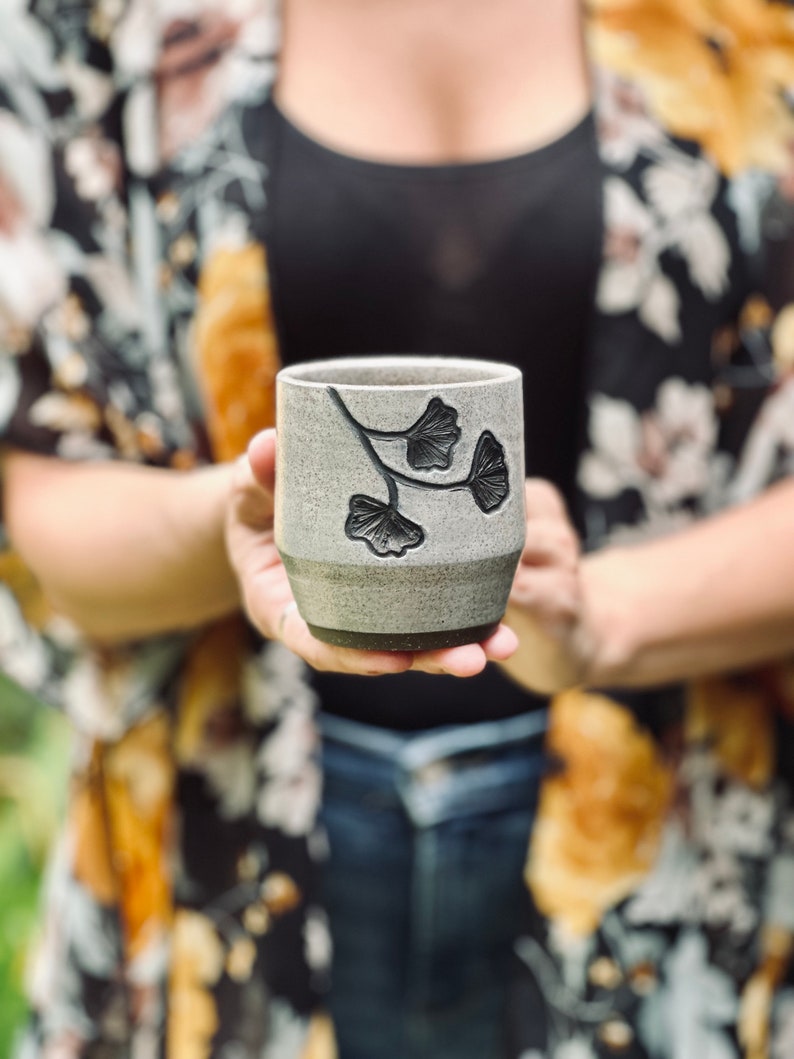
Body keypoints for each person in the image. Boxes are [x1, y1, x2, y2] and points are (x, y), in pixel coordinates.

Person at [2, 1, 794, 1057]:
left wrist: (601, 618)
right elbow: (49, 492)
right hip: (227, 859)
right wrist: (237, 520)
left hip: (678, 864)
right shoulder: (87, 20)